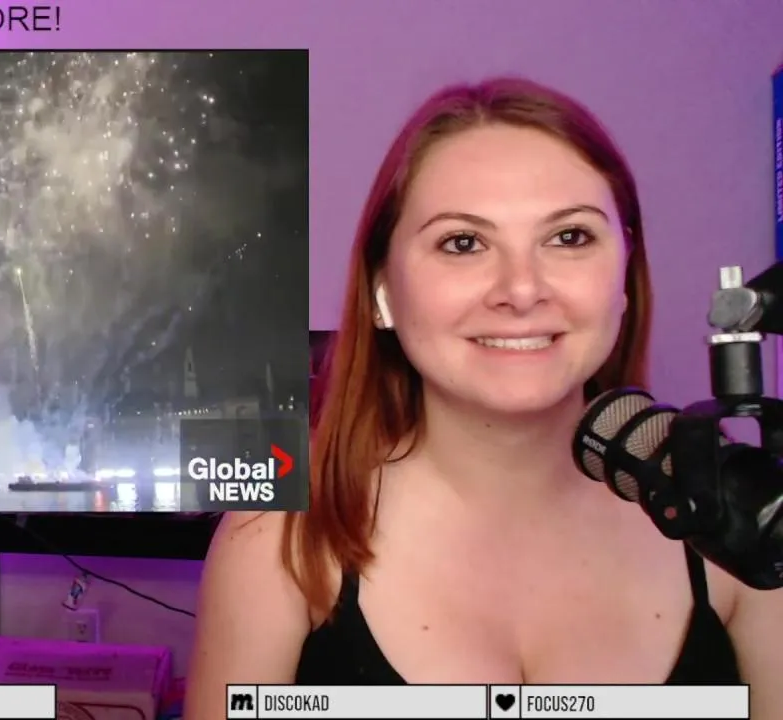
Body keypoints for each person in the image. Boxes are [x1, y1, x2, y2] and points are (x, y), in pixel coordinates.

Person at [187, 77, 782, 718]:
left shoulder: (741, 522)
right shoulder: (277, 537)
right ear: (383, 292)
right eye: (463, 243)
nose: (522, 290)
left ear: (624, 278)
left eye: (569, 237)